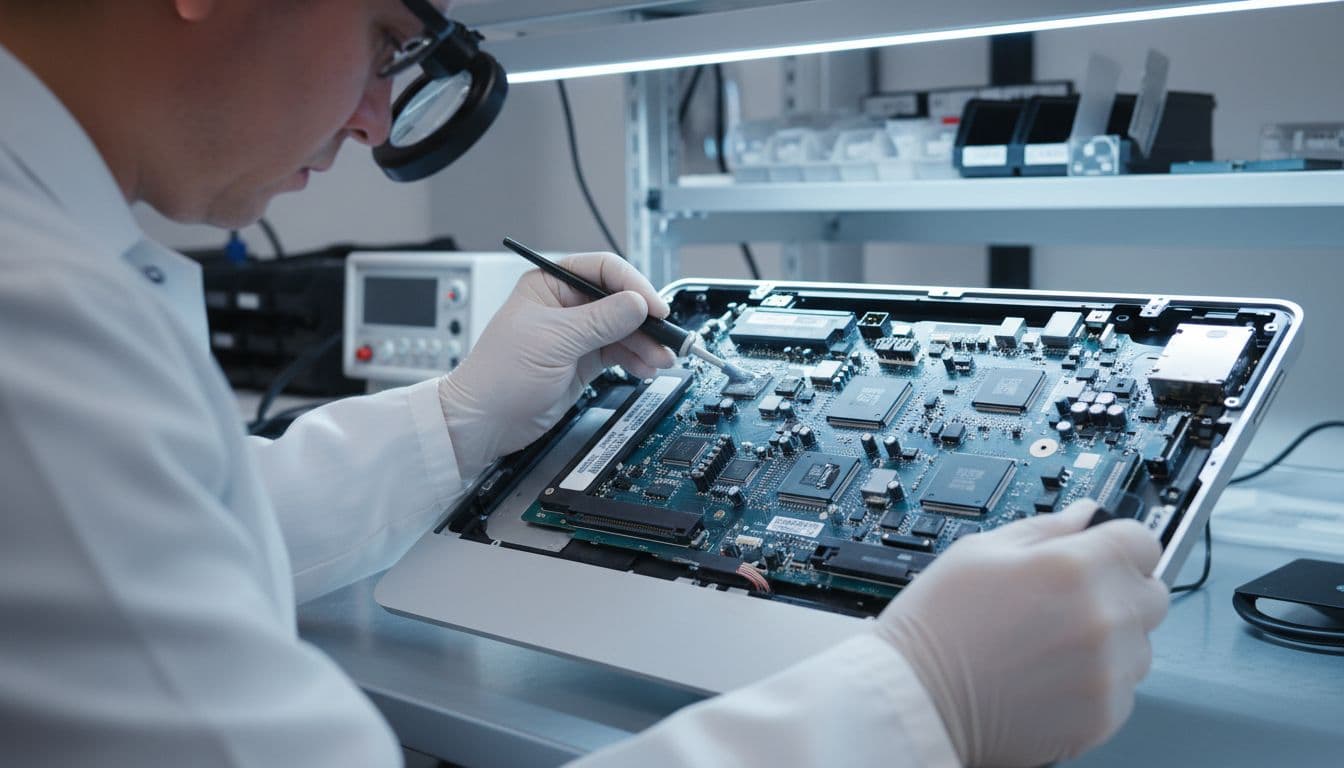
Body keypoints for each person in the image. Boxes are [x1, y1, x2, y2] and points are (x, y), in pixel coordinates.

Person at [0, 2, 1169, 766]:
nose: (374, 115)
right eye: (387, 36)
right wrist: (920, 700)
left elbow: (175, 530)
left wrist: (460, 422)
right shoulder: (38, 326)